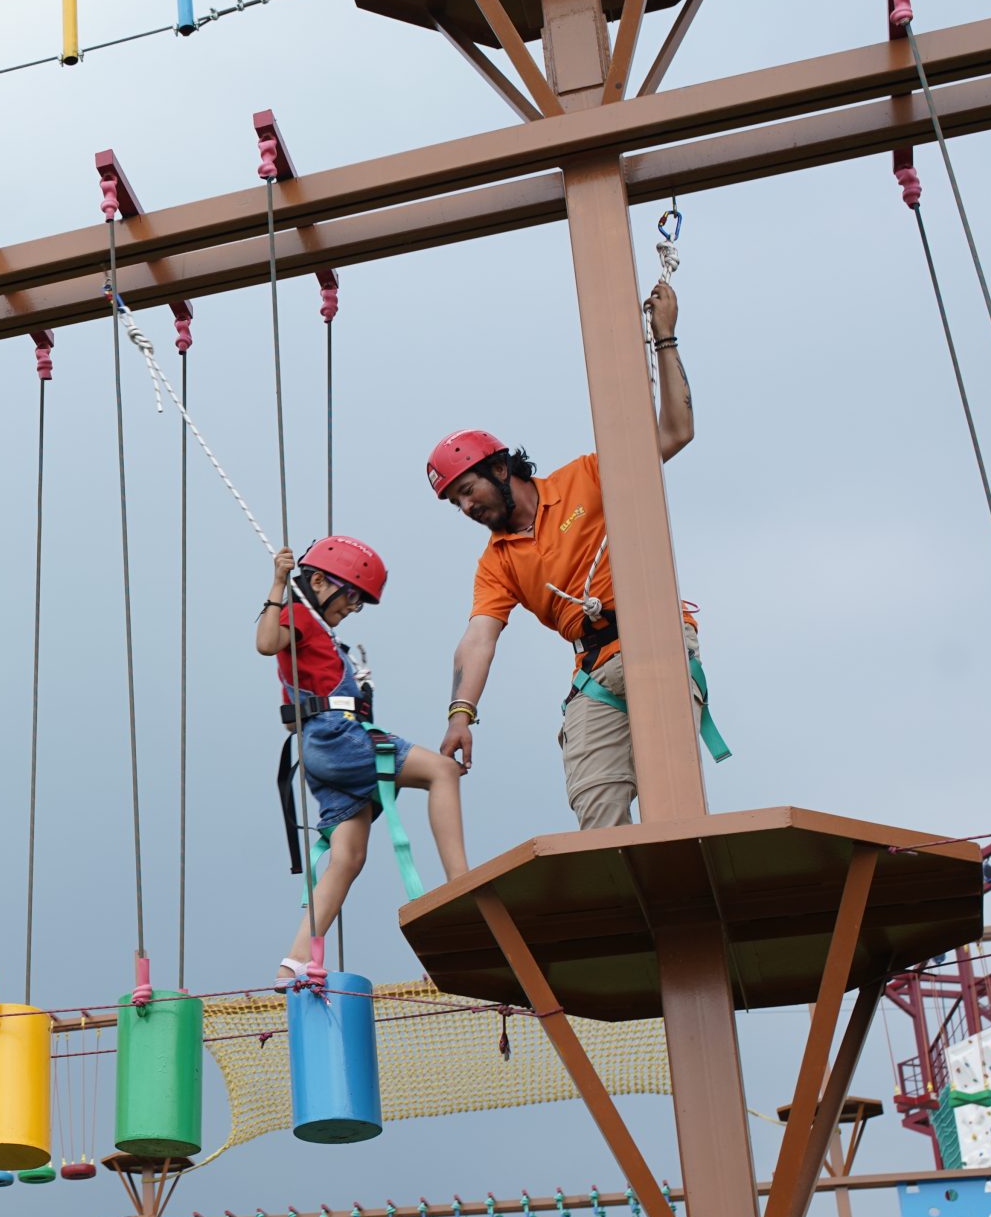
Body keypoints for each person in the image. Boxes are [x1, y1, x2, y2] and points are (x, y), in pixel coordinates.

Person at [431, 281, 720, 829]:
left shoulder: (586, 476)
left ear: (499, 468)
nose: (465, 507)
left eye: (467, 491)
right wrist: (460, 713)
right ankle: (631, 905)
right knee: (596, 809)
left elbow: (677, 432)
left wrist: (666, 338)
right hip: (595, 669)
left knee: (673, 795)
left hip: (654, 634)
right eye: (455, 502)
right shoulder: (497, 562)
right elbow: (477, 639)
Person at [256, 537, 468, 987]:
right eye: (350, 595)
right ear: (317, 581)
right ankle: (459, 887)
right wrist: (277, 582)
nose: (353, 608)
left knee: (347, 858)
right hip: (336, 739)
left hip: (321, 749)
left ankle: (295, 963)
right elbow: (265, 641)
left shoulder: (321, 634)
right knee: (442, 770)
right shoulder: (297, 616)